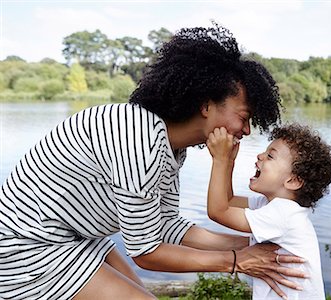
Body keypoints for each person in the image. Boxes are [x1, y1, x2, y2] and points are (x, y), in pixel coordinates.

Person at [0, 24, 307, 300]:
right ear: (206, 106)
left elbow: (165, 225)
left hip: (73, 239)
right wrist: (238, 261)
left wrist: (254, 243)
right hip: (25, 248)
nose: (247, 130)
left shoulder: (170, 145)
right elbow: (146, 252)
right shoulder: (139, 139)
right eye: (243, 117)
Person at [206, 124, 331, 299]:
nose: (260, 156)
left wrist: (220, 160)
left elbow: (218, 211)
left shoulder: (283, 213)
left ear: (293, 181)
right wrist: (229, 161)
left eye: (270, 156)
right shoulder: (269, 204)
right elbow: (228, 201)